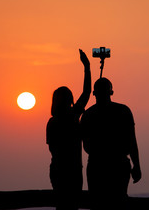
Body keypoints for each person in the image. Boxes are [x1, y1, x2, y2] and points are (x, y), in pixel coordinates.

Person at [80, 77, 142, 210]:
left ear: (94, 93)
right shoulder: (123, 111)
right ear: (111, 92)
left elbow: (85, 145)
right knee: (117, 203)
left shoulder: (88, 115)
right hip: (115, 165)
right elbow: (132, 141)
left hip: (99, 166)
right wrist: (136, 165)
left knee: (99, 205)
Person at [46, 49, 91, 210]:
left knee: (63, 206)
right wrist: (87, 67)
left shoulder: (52, 122)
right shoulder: (72, 117)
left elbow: (52, 148)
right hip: (72, 170)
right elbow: (86, 92)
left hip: (59, 169)